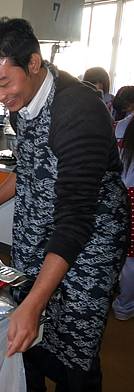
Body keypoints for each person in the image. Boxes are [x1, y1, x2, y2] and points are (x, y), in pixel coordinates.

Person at [0, 18, 129, 391]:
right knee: (29, 337)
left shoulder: (78, 110)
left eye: (3, 83)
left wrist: (36, 303)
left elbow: (75, 222)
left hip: (88, 246)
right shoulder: (20, 103)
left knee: (73, 345)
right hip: (39, 236)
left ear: (34, 63)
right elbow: (29, 166)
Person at [112, 86, 134, 321]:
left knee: (125, 256)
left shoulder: (120, 126)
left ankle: (123, 306)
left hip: (123, 194)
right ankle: (126, 305)